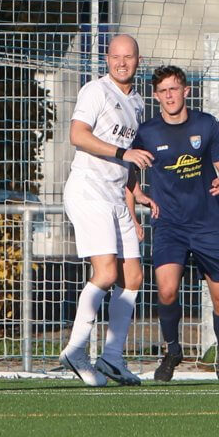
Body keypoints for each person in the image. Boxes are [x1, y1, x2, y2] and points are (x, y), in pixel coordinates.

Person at [130, 65, 219, 383]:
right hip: (170, 226)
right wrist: (137, 193)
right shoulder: (147, 133)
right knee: (166, 290)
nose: (169, 95)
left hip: (208, 224)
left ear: (186, 91)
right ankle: (173, 351)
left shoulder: (206, 125)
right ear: (156, 96)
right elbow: (130, 170)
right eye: (163, 91)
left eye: (174, 89)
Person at [58, 34, 157, 387]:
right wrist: (122, 154)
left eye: (128, 57)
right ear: (107, 59)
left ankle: (112, 359)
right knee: (105, 273)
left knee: (133, 278)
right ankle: (76, 349)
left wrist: (136, 194)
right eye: (116, 56)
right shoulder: (95, 91)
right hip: (88, 190)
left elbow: (129, 164)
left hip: (116, 196)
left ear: (137, 61)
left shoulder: (138, 103)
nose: (121, 63)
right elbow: (78, 135)